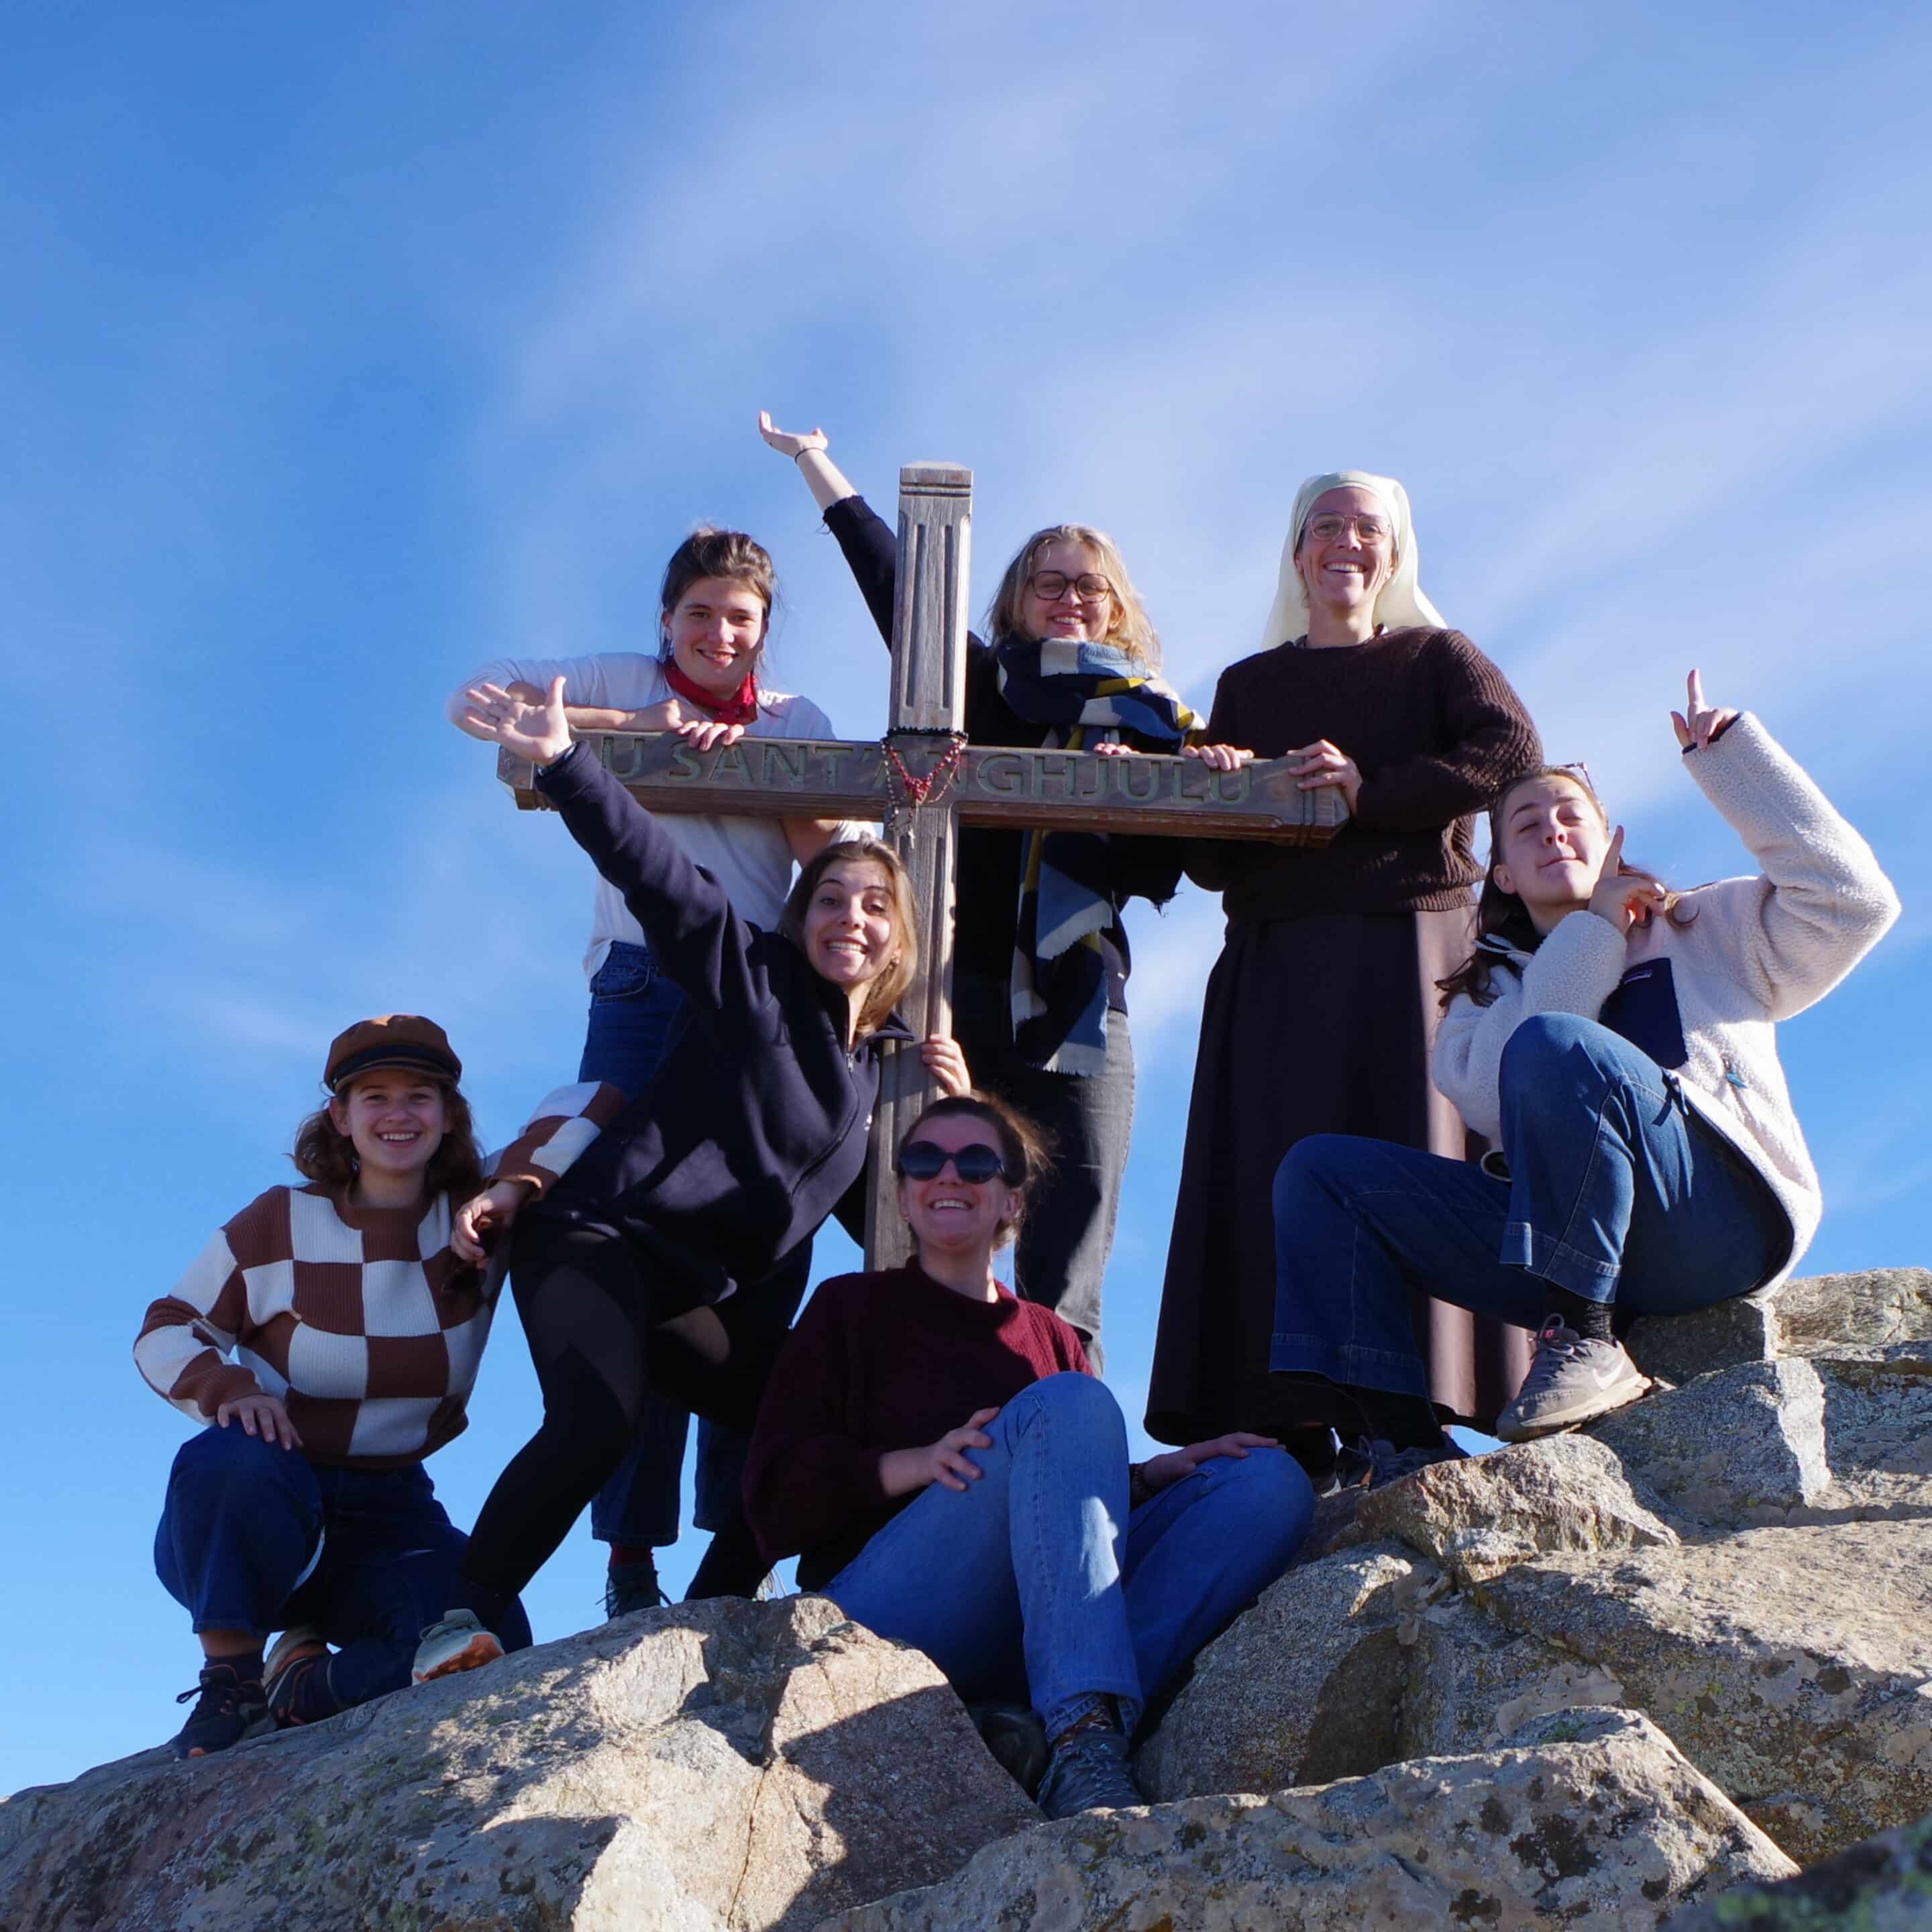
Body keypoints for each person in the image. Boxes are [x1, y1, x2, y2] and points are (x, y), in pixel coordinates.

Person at [412, 676, 969, 1678]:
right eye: (831, 898)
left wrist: (956, 1121)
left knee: (809, 1422)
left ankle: (714, 1616)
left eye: (876, 906)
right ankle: (464, 1618)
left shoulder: (867, 1081)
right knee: (597, 1422)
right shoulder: (748, 977)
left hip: (683, 1300)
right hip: (594, 1245)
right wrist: (568, 764)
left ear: (901, 938)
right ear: (800, 918)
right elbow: (660, 878)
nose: (851, 916)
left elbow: (913, 1224)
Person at [1264, 673, 1899, 1450]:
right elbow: (1497, 1099)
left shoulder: (1708, 925)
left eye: (1572, 818)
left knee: (1556, 1042)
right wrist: (1592, 931)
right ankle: (1400, 1441)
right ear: (1501, 875)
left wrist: (1734, 758)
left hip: (1718, 1222)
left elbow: (1855, 901)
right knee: (1321, 1171)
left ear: (1607, 842)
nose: (1553, 832)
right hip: (1558, 1244)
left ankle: (1586, 1338)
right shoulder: (1480, 998)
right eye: (1526, 825)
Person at [760, 413, 1240, 1366]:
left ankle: (1069, 1449)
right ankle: (929, 1418)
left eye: (1087, 585)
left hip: (1079, 1009)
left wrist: (1185, 779)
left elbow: (1164, 873)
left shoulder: (1146, 721)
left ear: (1116, 609)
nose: (1067, 599)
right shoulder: (974, 692)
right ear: (1015, 602)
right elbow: (899, 583)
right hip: (954, 998)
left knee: (1070, 1265)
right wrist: (821, 466)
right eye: (1047, 582)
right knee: (915, 1226)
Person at [448, 527, 866, 1613]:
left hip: (763, 999)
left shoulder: (797, 719)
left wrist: (765, 769)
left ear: (766, 631)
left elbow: (830, 852)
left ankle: (742, 1538)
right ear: (668, 618)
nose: (721, 634)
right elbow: (478, 700)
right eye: (701, 613)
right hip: (648, 972)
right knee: (628, 1226)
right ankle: (629, 1546)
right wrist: (645, 729)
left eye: (743, 618)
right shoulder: (619, 680)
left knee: (758, 1265)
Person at [743, 1089, 1311, 1819]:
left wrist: (1144, 1481)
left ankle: (1035, 1733)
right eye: (926, 1161)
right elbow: (771, 1502)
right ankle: (1082, 1744)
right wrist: (916, 1464)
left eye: (977, 1163)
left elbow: (1064, 1511)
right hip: (888, 1617)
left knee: (1266, 1483)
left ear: (1012, 1201)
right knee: (1072, 1405)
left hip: (1037, 1631)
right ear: (904, 1196)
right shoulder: (849, 1310)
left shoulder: (1052, 1339)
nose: (949, 1176)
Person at [1146, 470, 1543, 1478]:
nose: (1346, 545)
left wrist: (1372, 794)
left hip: (1410, 959)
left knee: (1407, 1159)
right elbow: (1210, 865)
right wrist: (1219, 799)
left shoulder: (1436, 659)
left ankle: (1410, 1407)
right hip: (1277, 967)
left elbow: (1511, 750)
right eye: (1325, 527)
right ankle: (1283, 1419)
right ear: (1296, 552)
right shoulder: (1248, 687)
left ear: (1395, 554)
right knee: (1272, 1181)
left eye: (1368, 529)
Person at [138, 1014, 620, 1758]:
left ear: (449, 1113)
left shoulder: (479, 1217)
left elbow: (592, 1099)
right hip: (271, 1500)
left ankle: (304, 1685)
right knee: (228, 1456)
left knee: (488, 1643)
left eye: (420, 1096)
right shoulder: (279, 1219)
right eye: (375, 1097)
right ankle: (231, 1678)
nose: (399, 1115)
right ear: (340, 1115)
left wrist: (514, 1191)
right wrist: (227, 1387)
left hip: (393, 1512)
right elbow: (167, 1326)